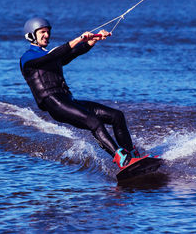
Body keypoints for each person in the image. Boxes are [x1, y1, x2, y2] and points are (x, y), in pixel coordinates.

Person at [20, 17, 143, 170]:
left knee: (116, 116)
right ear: (31, 35)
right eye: (42, 32)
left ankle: (133, 155)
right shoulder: (28, 58)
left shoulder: (52, 56)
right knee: (94, 122)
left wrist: (94, 39)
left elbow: (74, 52)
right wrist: (79, 39)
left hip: (68, 100)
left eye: (48, 32)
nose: (46, 35)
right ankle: (122, 160)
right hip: (54, 103)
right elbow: (52, 55)